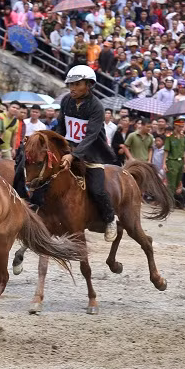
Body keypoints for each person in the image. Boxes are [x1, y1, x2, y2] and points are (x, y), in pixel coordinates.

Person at [56, 64, 119, 241]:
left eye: (77, 84)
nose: (72, 88)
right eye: (70, 85)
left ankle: (110, 218)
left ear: (89, 85)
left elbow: (91, 136)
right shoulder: (66, 101)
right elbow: (61, 127)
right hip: (67, 149)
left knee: (97, 190)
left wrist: (73, 155)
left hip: (91, 153)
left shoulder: (97, 107)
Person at [164, 118, 185, 202]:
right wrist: (164, 163)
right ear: (175, 126)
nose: (181, 128)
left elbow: (184, 151)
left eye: (182, 126)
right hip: (172, 161)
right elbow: (166, 151)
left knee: (178, 183)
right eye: (179, 126)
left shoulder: (183, 137)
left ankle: (171, 200)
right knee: (171, 183)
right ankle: (168, 201)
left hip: (180, 162)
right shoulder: (169, 137)